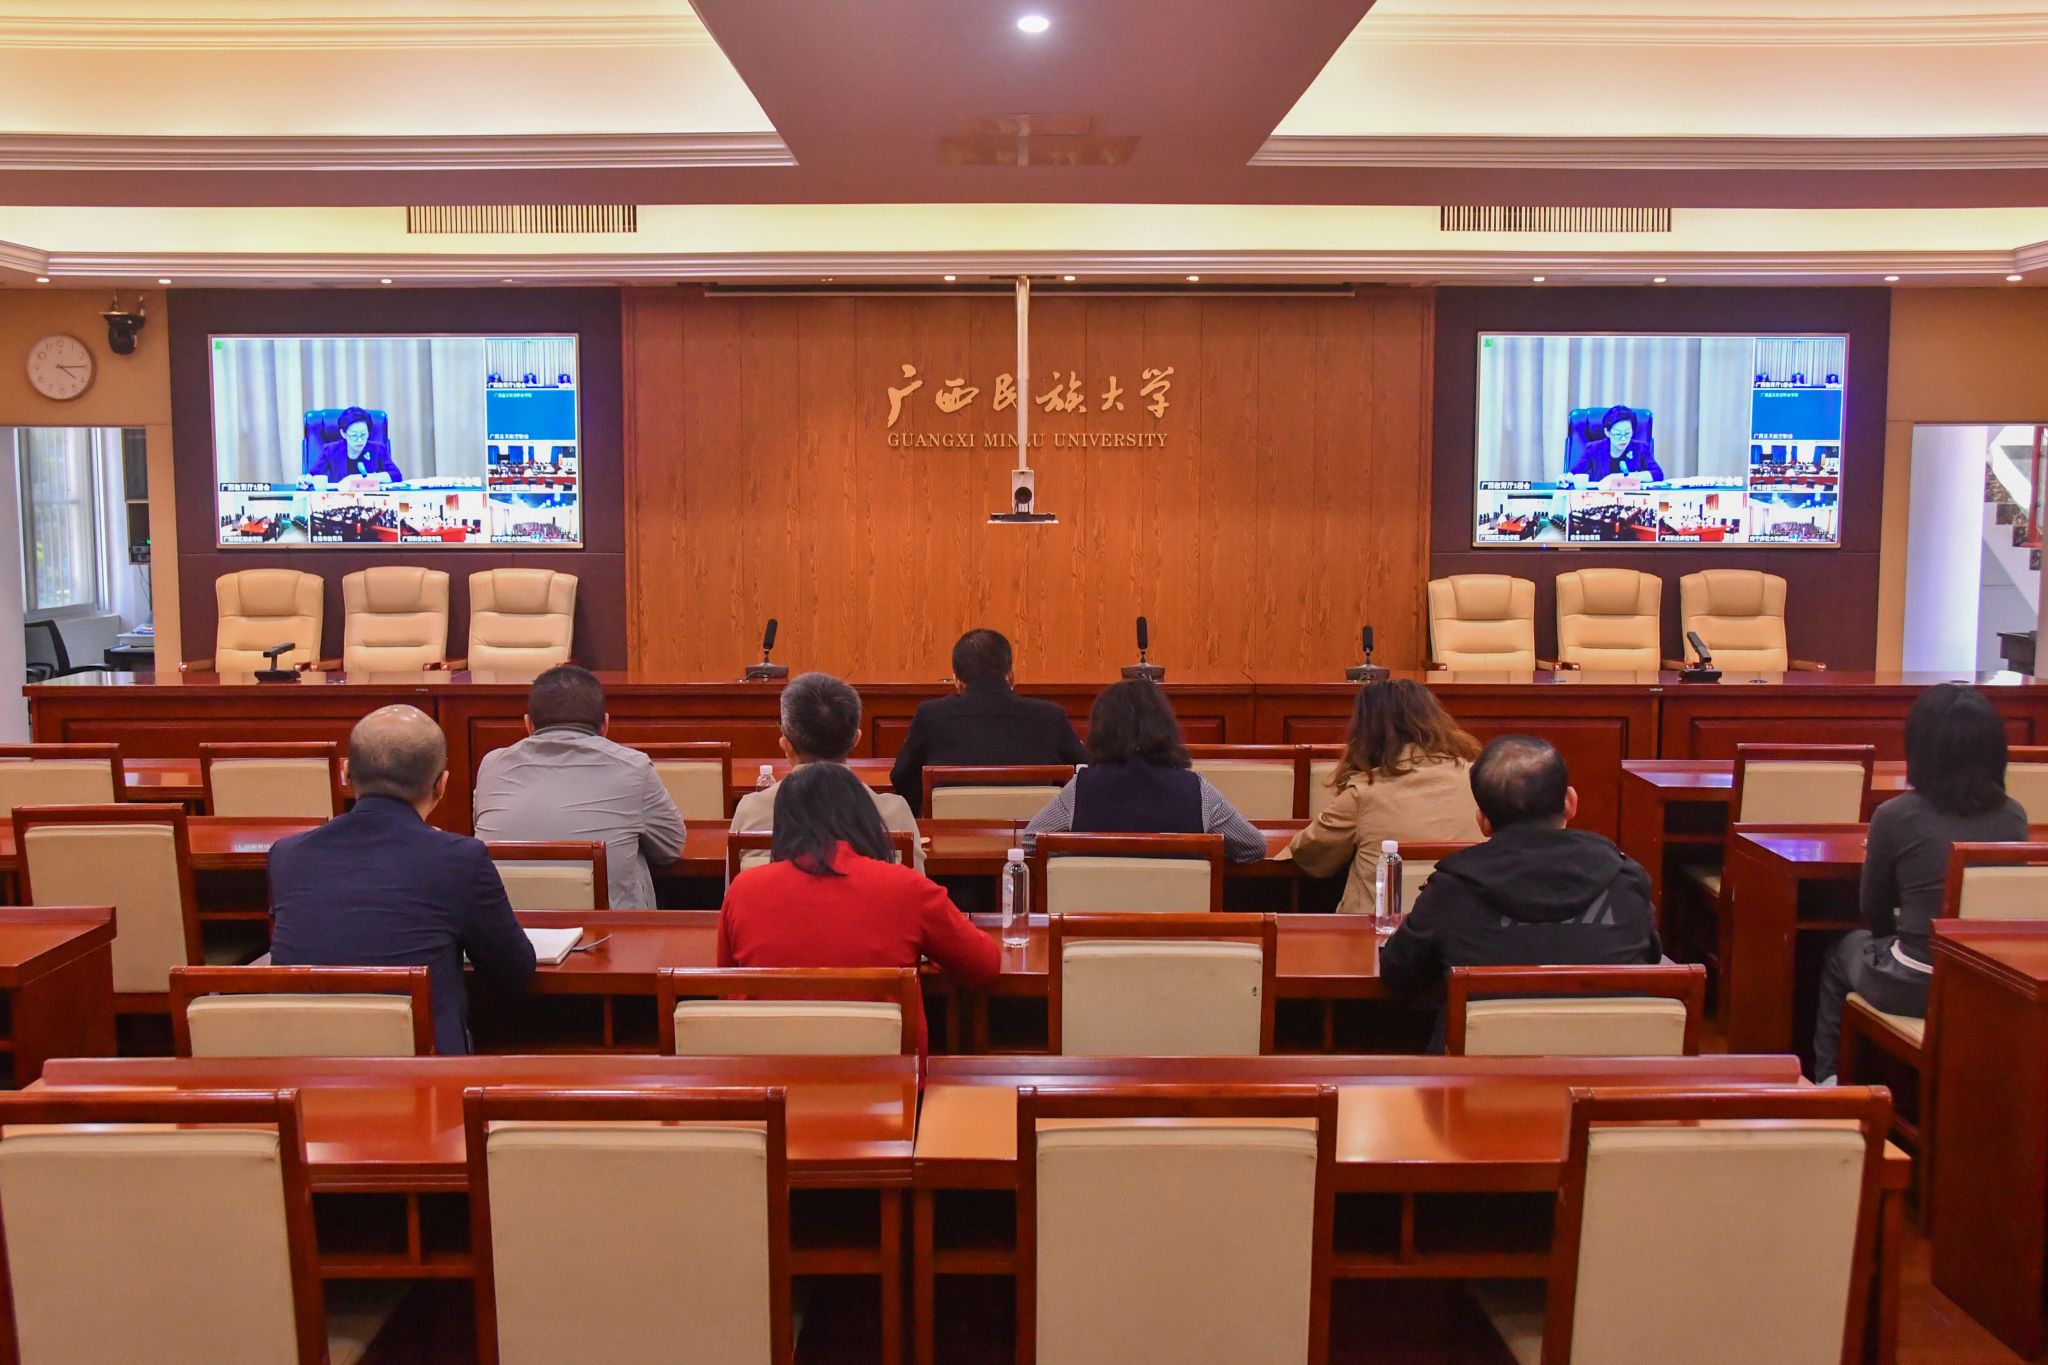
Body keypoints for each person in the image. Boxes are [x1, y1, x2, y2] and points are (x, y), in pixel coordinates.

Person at [268, 704, 535, 1054]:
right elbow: (513, 969)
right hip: (424, 1068)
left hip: (308, 1063)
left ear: (346, 775)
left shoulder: (286, 855)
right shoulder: (459, 858)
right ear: (441, 784)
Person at [1812, 684, 2029, 1081]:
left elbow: (1873, 910)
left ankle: (1830, 1082)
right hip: (1982, 985)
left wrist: (1898, 933)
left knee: (1840, 952)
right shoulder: (2014, 817)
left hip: (1912, 983)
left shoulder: (1894, 815)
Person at [718, 761, 999, 1053]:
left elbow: (724, 991)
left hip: (767, 1073)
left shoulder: (742, 890)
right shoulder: (905, 886)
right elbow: (984, 964)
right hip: (888, 1077)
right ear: (864, 819)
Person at [1379, 734, 1661, 1013]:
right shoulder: (1625, 877)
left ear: (1483, 822)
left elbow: (1398, 972)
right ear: (1570, 802)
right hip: (1610, 1042)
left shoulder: (1450, 889)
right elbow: (1649, 958)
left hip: (1486, 1044)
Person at [472, 665, 687, 910]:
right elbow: (671, 847)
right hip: (607, 932)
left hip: (508, 928)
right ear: (605, 725)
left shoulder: (491, 766)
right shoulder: (634, 767)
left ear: (528, 725)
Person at [1287, 679, 1483, 914]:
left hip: (1382, 931)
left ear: (1365, 730)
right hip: (1471, 924)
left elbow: (1310, 856)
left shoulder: (1364, 793)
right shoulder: (1479, 778)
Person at [1023, 679, 1265, 862]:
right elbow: (1254, 846)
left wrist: (1083, 849)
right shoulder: (1198, 790)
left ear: (1102, 729)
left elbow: (1031, 840)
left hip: (1097, 914)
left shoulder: (1082, 787)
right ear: (1165, 726)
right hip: (1181, 915)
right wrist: (1202, 854)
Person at [733, 672, 925, 871]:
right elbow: (916, 888)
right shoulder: (895, 812)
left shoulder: (750, 811)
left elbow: (733, 890)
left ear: (786, 746)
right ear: (856, 740)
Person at [890, 629, 1086, 806]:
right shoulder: (1050, 716)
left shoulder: (930, 715)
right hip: (1034, 833)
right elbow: (1085, 771)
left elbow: (902, 777)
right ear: (1011, 675)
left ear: (957, 680)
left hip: (951, 832)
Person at [1569, 404, 1663, 486]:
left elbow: (1658, 474)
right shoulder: (1593, 449)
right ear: (1607, 432)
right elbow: (1574, 473)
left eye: (1627, 433)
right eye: (1618, 434)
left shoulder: (1641, 448)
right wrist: (1566, 478)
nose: (1623, 439)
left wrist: (1623, 477)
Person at [312, 405, 403, 485]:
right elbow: (312, 476)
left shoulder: (378, 450)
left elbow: (396, 476)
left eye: (363, 435)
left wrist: (361, 478)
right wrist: (307, 480)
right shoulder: (330, 450)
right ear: (343, 434)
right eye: (354, 436)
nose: (359, 440)